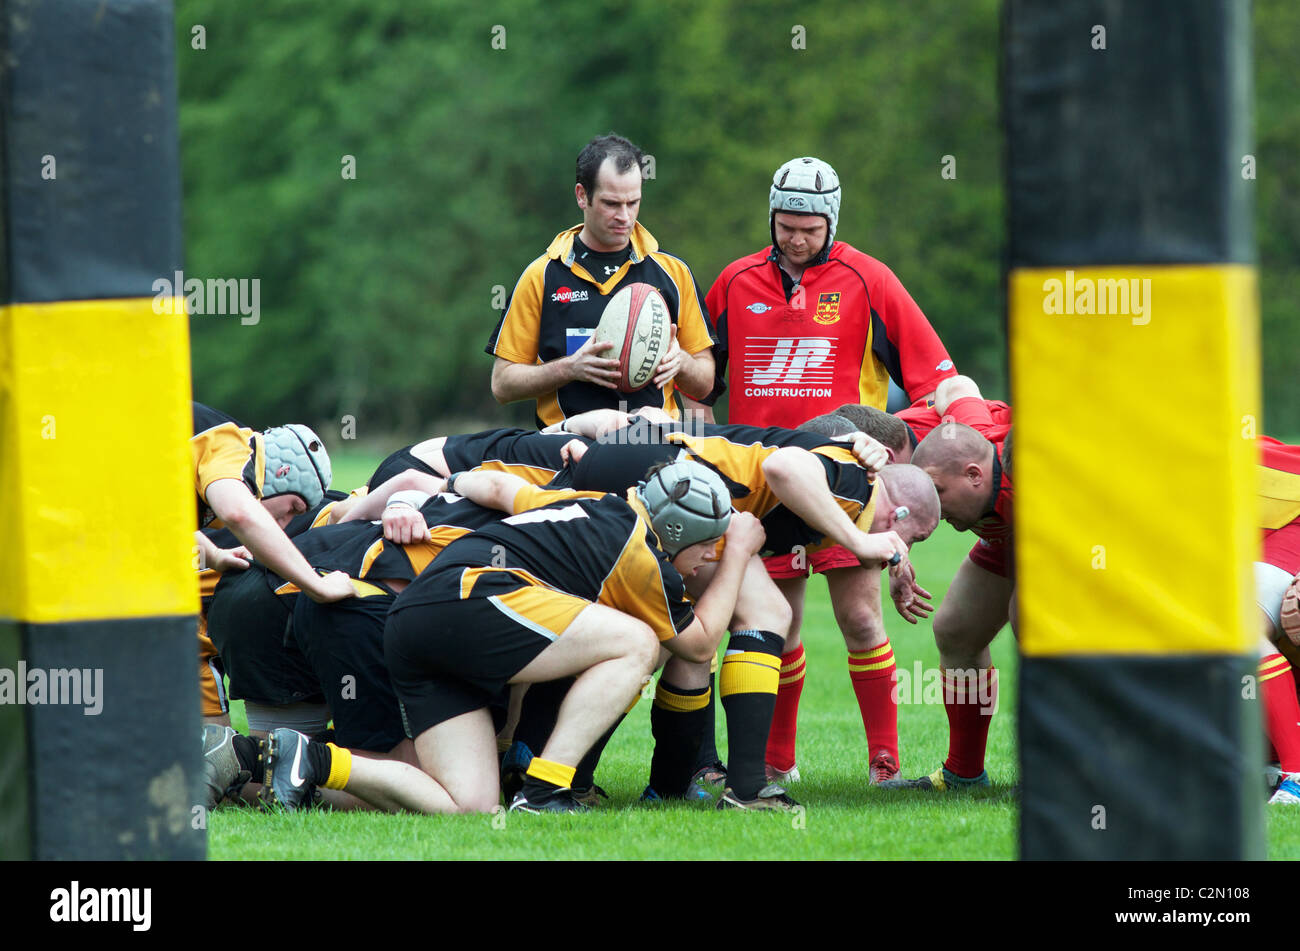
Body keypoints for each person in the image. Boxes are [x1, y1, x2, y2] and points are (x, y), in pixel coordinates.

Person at [254, 461, 766, 816]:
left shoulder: (591, 501)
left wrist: (451, 479)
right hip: (465, 598)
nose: (710, 559)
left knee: (472, 804)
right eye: (708, 546)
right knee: (639, 643)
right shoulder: (641, 557)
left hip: (419, 623)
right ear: (675, 533)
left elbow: (498, 489)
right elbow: (699, 646)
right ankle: (546, 789)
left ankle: (291, 760)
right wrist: (741, 551)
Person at [697, 156, 960, 784]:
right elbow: (699, 383)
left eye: (809, 228)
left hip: (849, 486)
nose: (795, 238)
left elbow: (934, 380)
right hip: (764, 486)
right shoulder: (734, 282)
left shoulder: (869, 280)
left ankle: (885, 768)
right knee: (776, 623)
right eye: (786, 225)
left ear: (831, 222)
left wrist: (898, 466)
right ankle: (774, 766)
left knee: (862, 619)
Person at [562, 413, 935, 804]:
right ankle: (746, 787)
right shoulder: (860, 481)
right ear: (900, 515)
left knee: (663, 640)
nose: (909, 549)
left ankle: (619, 782)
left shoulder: (851, 491)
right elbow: (783, 466)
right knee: (765, 615)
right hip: (668, 479)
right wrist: (859, 542)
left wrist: (883, 556)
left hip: (646, 471)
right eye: (917, 538)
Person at [486, 134, 716, 427]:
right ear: (582, 195)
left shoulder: (673, 272)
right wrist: (571, 368)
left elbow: (705, 383)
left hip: (654, 444)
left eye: (633, 203)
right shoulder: (542, 275)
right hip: (568, 448)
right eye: (611, 203)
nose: (625, 216)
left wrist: (680, 362)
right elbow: (502, 385)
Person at [879, 386, 1014, 791]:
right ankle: (964, 775)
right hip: (1006, 537)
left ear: (975, 474)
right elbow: (958, 387)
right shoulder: (941, 439)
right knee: (956, 630)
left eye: (937, 492)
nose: (931, 504)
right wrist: (899, 551)